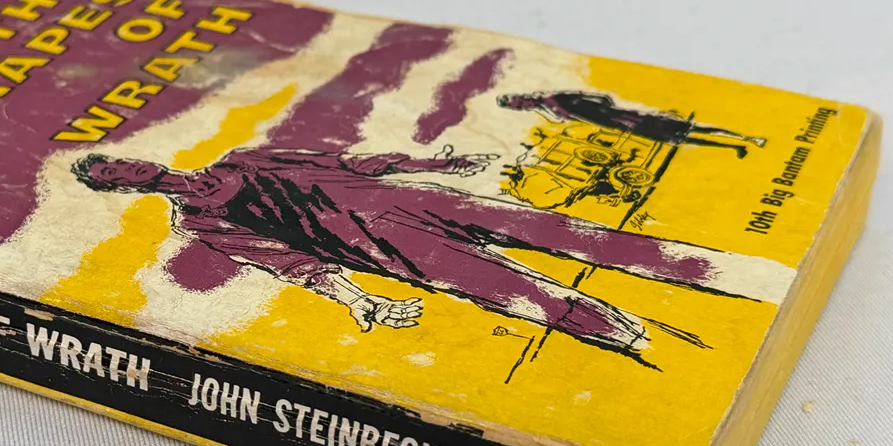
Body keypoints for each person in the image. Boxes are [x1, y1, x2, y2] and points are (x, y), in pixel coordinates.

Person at [71, 148, 769, 358]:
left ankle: (731, 276)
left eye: (119, 161)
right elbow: (296, 265)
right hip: (389, 249)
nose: (128, 170)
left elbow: (353, 162)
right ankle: (653, 348)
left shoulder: (244, 156)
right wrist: (360, 301)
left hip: (425, 200)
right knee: (532, 299)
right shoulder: (201, 222)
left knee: (577, 237)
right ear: (122, 190)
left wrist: (440, 163)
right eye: (113, 177)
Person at [497, 91, 766, 157]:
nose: (522, 106)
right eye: (518, 107)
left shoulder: (555, 98)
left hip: (629, 118)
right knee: (681, 139)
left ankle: (747, 138)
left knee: (691, 129)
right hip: (625, 126)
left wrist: (607, 111)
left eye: (519, 103)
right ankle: (734, 148)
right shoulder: (547, 111)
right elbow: (571, 120)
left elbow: (600, 98)